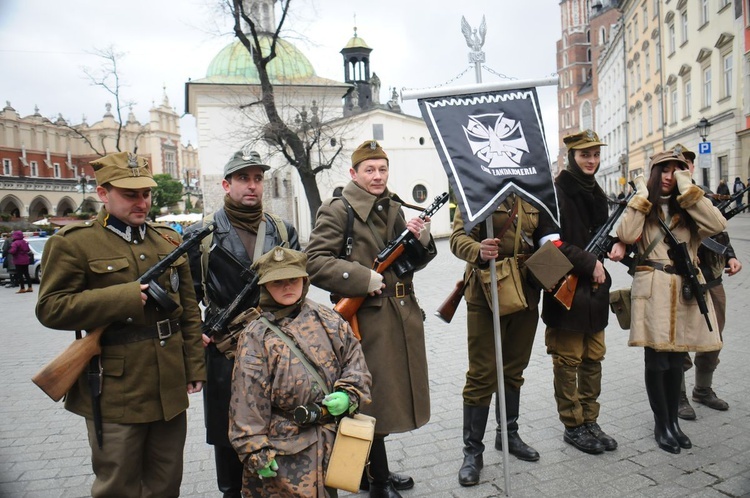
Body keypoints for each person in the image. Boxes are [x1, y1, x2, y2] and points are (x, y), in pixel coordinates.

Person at [35, 151, 206, 497]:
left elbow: (188, 310)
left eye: (145, 193)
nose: (141, 202)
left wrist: (194, 367)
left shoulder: (169, 240)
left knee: (166, 482)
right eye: (130, 194)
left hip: (168, 382)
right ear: (103, 193)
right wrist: (123, 298)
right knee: (118, 484)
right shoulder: (74, 244)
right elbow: (51, 308)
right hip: (115, 386)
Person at [306, 140, 436, 498]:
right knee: (370, 400)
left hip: (401, 317)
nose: (378, 176)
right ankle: (377, 482)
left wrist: (420, 237)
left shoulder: (393, 206)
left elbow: (411, 261)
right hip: (366, 321)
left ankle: (373, 473)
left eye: (382, 169)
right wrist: (363, 278)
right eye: (370, 170)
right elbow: (314, 261)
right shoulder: (338, 210)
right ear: (354, 173)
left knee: (390, 400)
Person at [186, 147, 299, 498]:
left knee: (280, 429)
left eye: (257, 178)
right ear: (226, 184)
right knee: (228, 438)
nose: (251, 186)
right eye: (242, 178)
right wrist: (193, 344)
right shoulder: (201, 234)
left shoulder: (283, 230)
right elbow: (186, 300)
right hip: (225, 352)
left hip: (276, 347)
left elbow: (296, 291)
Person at [229, 246, 372, 497]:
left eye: (293, 279)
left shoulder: (327, 318)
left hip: (329, 440)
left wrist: (349, 394)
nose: (287, 287)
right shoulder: (255, 336)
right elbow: (247, 398)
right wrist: (254, 449)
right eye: (278, 282)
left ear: (304, 281)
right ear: (265, 286)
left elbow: (353, 359)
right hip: (283, 448)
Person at [616, 148, 725, 454]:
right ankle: (661, 424)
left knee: (677, 359)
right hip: (653, 285)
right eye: (664, 169)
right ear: (655, 173)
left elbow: (716, 225)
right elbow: (626, 234)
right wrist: (640, 197)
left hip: (685, 286)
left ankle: (674, 423)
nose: (669, 176)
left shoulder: (690, 206)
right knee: (657, 359)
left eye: (676, 169)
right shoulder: (645, 204)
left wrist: (689, 189)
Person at [450, 189, 559, 483]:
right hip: (487, 291)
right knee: (482, 374)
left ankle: (508, 436)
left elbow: (546, 236)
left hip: (525, 289)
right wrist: (478, 251)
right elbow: (457, 238)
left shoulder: (533, 193)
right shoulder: (477, 190)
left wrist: (554, 266)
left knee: (514, 370)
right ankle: (472, 452)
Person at [542, 130, 622, 455]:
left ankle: (591, 420)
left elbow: (603, 238)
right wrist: (589, 262)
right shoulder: (556, 193)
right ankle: (572, 425)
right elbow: (548, 245)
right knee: (567, 360)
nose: (591, 160)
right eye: (584, 155)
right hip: (565, 291)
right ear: (572, 157)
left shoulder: (598, 193)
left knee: (593, 359)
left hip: (594, 292)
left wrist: (619, 246)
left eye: (595, 154)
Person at [672, 145, 742, 420]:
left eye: (687, 164)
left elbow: (720, 230)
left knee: (714, 338)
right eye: (678, 165)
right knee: (678, 341)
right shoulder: (664, 200)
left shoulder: (701, 197)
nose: (684, 168)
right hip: (680, 281)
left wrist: (731, 257)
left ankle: (703, 390)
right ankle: (677, 396)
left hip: (712, 280)